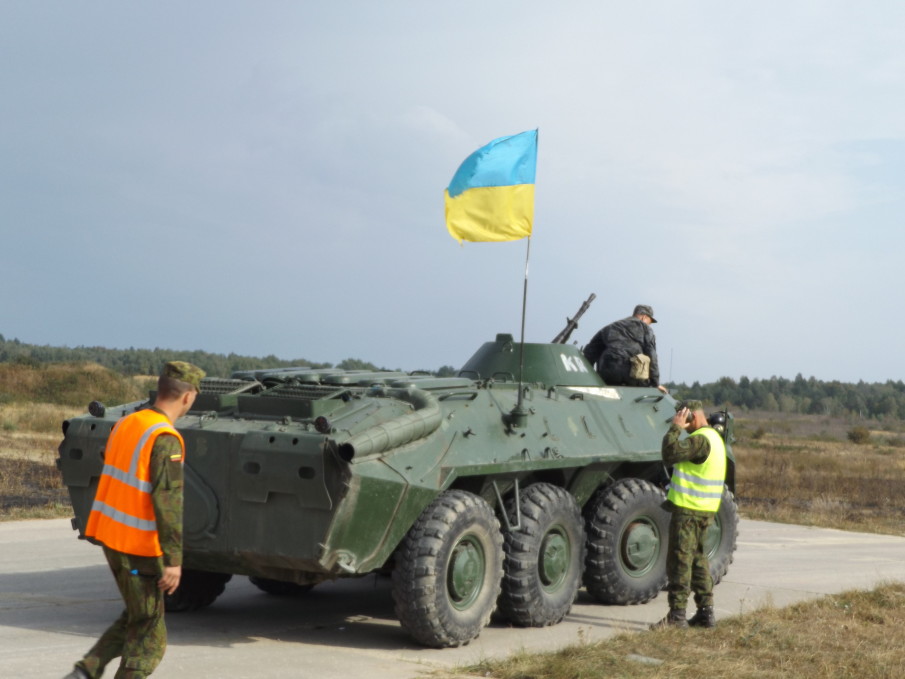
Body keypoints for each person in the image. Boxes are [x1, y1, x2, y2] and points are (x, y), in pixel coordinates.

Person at [64, 361, 205, 679]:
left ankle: (86, 671)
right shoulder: (164, 438)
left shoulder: (129, 423)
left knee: (140, 616)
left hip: (111, 536)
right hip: (139, 547)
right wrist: (173, 561)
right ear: (187, 397)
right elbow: (168, 504)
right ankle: (87, 671)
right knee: (149, 642)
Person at [652, 400, 727, 630]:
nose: (683, 424)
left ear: (690, 417)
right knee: (698, 561)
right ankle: (706, 613)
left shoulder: (700, 440)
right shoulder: (716, 439)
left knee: (680, 562)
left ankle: (677, 616)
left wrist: (675, 428)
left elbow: (669, 453)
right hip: (705, 511)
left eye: (683, 419)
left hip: (689, 511)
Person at [582, 304, 668, 393]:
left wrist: (587, 379)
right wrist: (655, 383)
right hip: (632, 375)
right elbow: (652, 356)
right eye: (649, 322)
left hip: (607, 373)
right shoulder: (646, 329)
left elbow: (589, 353)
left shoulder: (610, 327)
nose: (649, 325)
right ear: (644, 317)